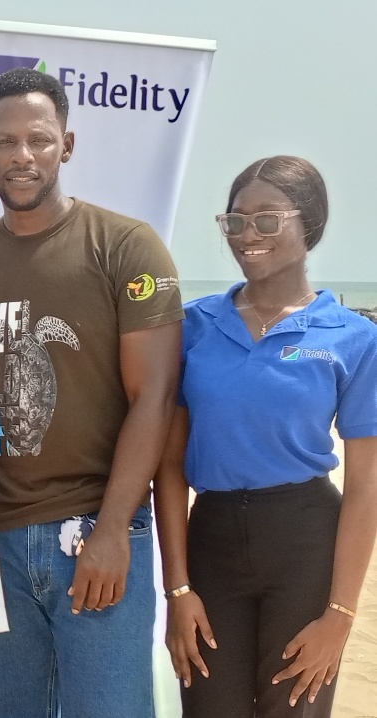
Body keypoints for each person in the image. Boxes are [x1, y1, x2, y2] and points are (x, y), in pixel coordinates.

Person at [0, 67, 184, 717]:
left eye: (39, 139)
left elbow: (154, 397)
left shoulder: (125, 246)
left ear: (66, 145)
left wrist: (114, 529)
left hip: (94, 531)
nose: (22, 155)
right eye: (4, 141)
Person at [155, 156, 377, 717]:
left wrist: (340, 617)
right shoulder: (193, 326)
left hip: (306, 543)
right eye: (235, 221)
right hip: (211, 542)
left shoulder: (352, 337)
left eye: (267, 219)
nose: (247, 234)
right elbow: (170, 466)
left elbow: (365, 486)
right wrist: (177, 590)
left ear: (310, 223)